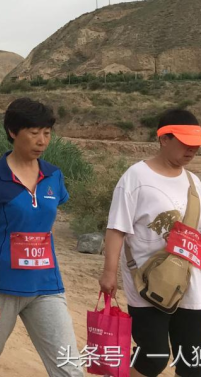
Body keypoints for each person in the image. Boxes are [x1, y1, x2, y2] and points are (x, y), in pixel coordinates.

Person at [0, 97, 81, 377]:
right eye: (34, 132)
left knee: (70, 369)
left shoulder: (54, 176)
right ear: (13, 132)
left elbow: (45, 225)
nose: (42, 141)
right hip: (0, 289)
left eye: (47, 133)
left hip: (46, 286)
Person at [99, 108, 201, 377]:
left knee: (193, 363)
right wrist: (109, 273)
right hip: (146, 283)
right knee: (152, 358)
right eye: (185, 143)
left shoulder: (194, 183)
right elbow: (116, 228)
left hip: (189, 284)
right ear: (163, 139)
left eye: (196, 144)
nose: (192, 149)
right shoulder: (136, 177)